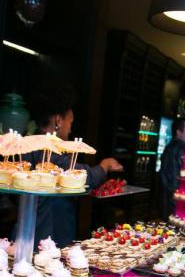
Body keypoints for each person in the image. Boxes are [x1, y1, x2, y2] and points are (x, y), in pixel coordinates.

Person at [17, 83, 123, 247]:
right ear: (58, 121)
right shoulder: (48, 148)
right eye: (70, 123)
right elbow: (83, 175)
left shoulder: (29, 141)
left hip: (30, 225)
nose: (70, 130)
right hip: (46, 232)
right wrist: (105, 165)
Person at [160, 117, 185, 219]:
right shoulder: (183, 148)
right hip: (179, 201)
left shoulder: (169, 147)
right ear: (179, 132)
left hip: (166, 199)